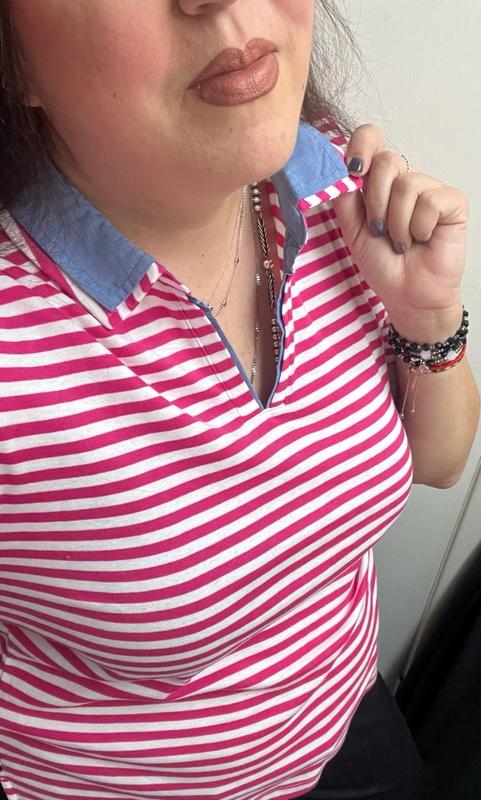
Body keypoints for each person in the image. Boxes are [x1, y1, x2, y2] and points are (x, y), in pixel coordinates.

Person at [0, 1, 478, 799]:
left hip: (342, 722)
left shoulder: (330, 182)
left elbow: (438, 461)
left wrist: (424, 318)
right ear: (15, 62)